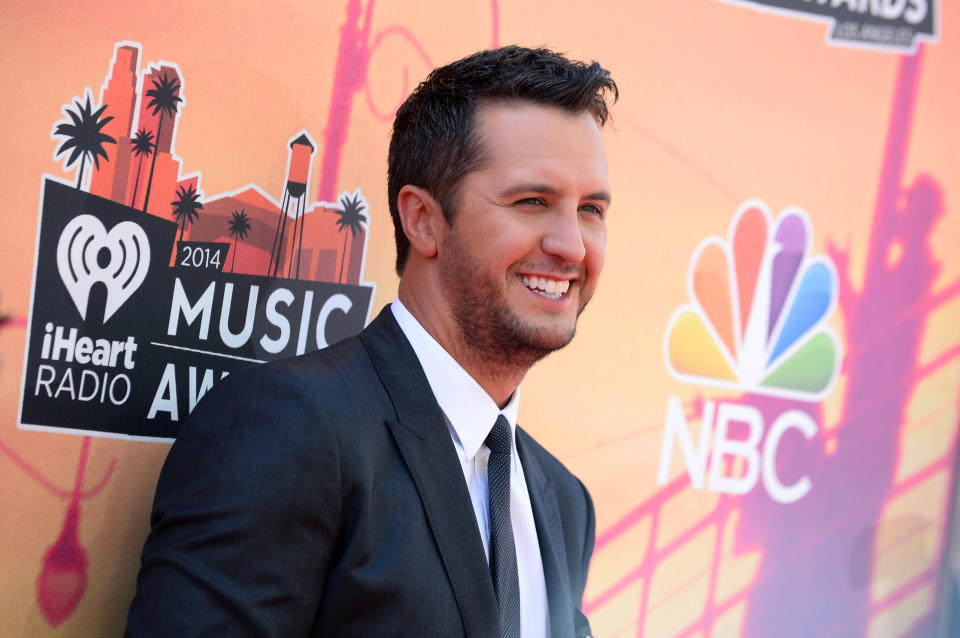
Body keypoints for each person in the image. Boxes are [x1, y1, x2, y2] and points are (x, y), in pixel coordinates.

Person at [125, 45, 617, 638]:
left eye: (591, 209)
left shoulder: (564, 502)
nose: (572, 245)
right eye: (532, 202)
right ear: (423, 219)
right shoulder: (290, 429)